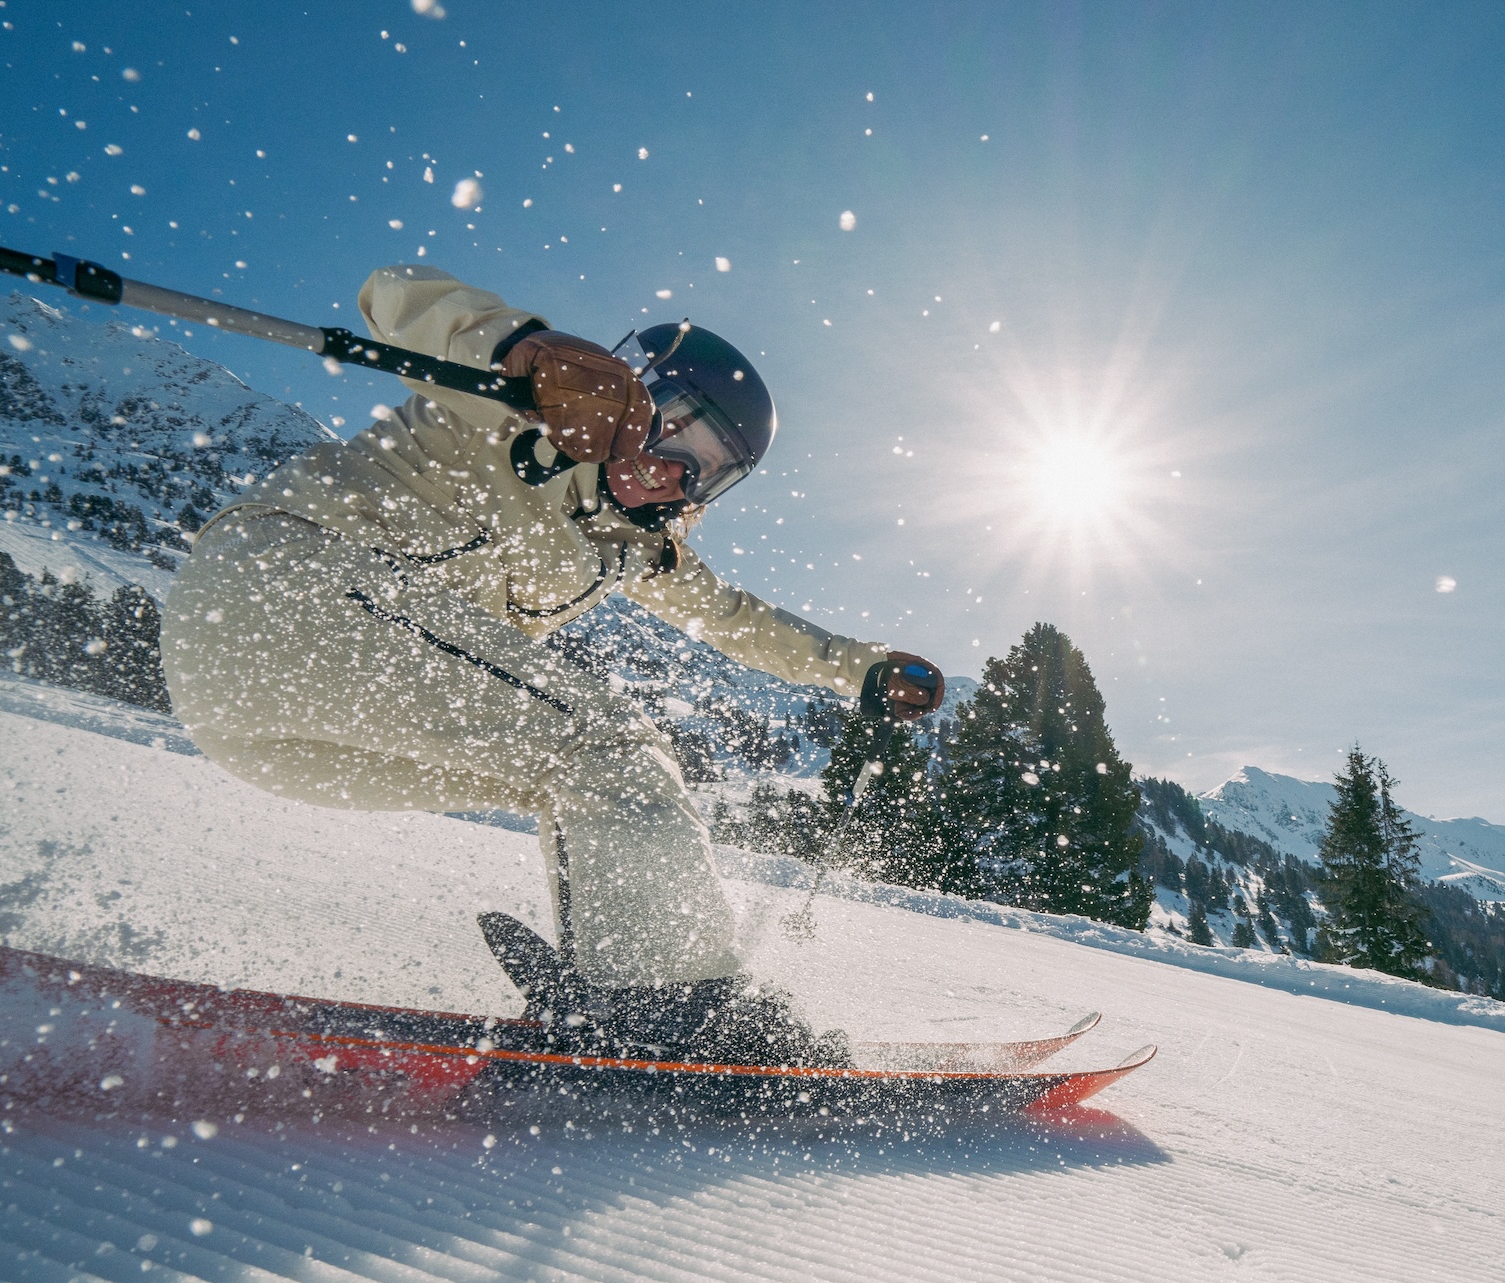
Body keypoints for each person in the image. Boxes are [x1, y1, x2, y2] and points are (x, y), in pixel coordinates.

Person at [159, 264, 943, 1064]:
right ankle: (671, 1005)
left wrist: (862, 670)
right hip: (284, 590)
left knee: (577, 782)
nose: (668, 469)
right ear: (633, 393)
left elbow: (738, 621)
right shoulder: (513, 404)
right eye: (672, 428)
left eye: (704, 467)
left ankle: (626, 993)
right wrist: (523, 350)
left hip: (277, 731)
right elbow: (397, 296)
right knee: (608, 747)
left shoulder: (638, 545)